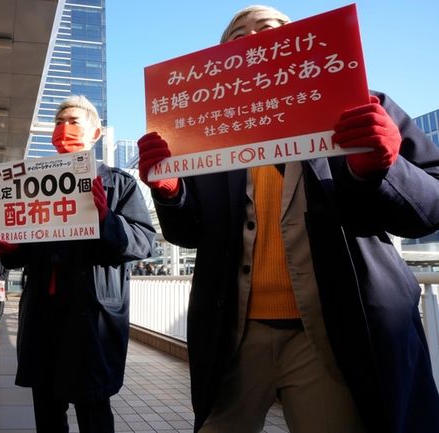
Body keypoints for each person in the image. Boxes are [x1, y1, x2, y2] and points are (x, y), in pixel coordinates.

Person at [137, 6, 439, 433]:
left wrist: (385, 168)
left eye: (269, 28)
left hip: (333, 334)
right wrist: (171, 194)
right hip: (234, 335)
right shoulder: (204, 134)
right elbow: (189, 234)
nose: (252, 38)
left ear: (305, 39)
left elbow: (429, 211)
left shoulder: (360, 107)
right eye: (235, 36)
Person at [0, 95, 155, 432]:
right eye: (58, 123)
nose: (63, 129)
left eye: (73, 121)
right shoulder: (32, 186)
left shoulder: (119, 183)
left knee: (93, 408)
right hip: (43, 315)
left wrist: (106, 220)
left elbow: (143, 241)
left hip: (91, 315)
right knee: (46, 409)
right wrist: (11, 248)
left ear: (96, 132)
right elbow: (25, 255)